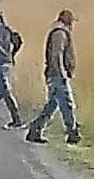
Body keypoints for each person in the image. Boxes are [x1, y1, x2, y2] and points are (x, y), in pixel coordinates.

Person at [25, 9, 82, 145]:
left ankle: (35, 129)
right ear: (67, 20)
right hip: (57, 75)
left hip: (55, 74)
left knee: (52, 105)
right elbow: (57, 55)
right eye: (71, 21)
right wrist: (62, 74)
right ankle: (72, 132)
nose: (72, 25)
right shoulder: (60, 34)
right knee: (67, 104)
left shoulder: (59, 32)